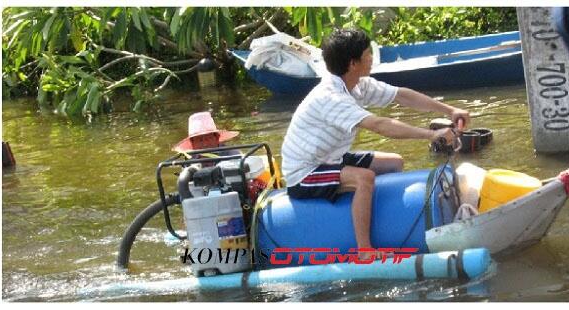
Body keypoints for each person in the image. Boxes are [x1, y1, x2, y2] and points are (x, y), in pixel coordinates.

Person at [280, 28, 470, 259]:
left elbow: (402, 95)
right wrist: (431, 135)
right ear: (353, 63)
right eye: (368, 53)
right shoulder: (330, 98)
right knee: (364, 178)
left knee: (394, 163)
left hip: (332, 156)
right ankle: (365, 250)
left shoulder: (357, 85)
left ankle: (383, 219)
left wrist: (450, 110)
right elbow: (381, 125)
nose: (372, 57)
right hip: (304, 171)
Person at [173, 111, 240, 158]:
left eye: (208, 138)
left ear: (217, 138)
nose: (205, 144)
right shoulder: (190, 159)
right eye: (199, 140)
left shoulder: (231, 154)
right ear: (192, 144)